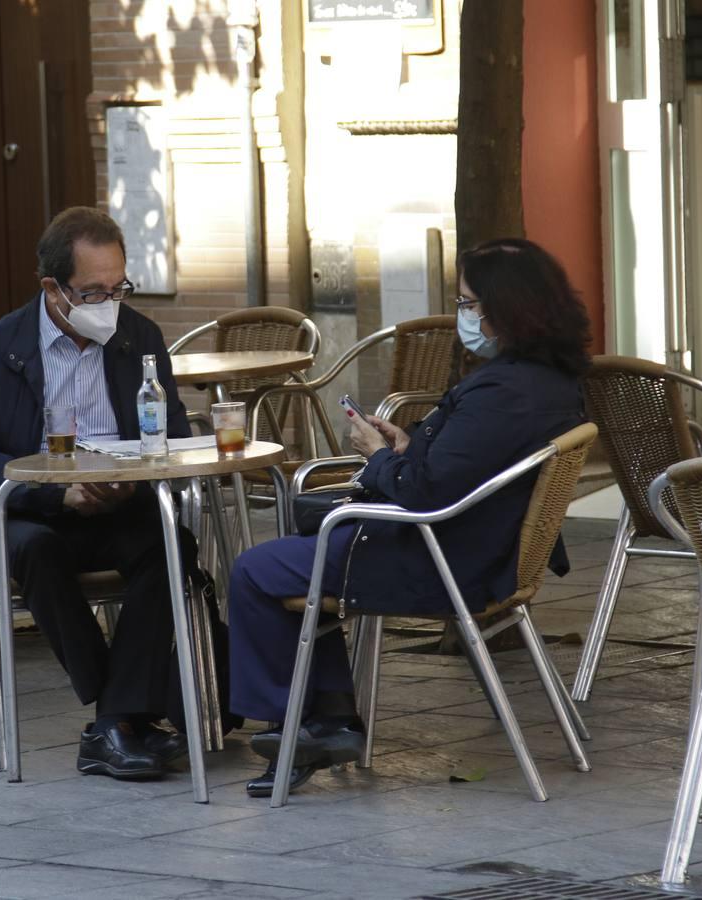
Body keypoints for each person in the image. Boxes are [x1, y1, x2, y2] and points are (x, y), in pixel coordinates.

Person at [227, 238, 591, 797]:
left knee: (256, 570)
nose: (462, 315)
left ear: (506, 309)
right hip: (481, 549)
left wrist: (376, 457)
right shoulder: (551, 379)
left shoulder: (504, 390)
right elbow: (460, 466)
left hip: (437, 559)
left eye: (469, 303)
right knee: (303, 553)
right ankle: (327, 717)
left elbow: (424, 494)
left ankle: (297, 722)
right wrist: (405, 446)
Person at [0, 206, 196, 781]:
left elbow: (175, 433)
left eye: (118, 288)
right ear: (53, 288)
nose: (110, 305)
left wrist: (131, 477)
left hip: (119, 508)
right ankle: (121, 717)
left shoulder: (139, 338)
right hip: (31, 516)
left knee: (172, 545)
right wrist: (57, 494)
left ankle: (114, 724)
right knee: (38, 550)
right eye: (93, 292)